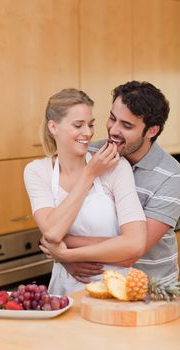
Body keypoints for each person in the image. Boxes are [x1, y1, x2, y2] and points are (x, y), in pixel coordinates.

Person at [53, 81, 180, 287]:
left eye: (127, 125)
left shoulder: (171, 176)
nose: (113, 130)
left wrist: (65, 249)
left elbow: (131, 252)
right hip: (97, 287)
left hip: (151, 291)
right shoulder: (90, 153)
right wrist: (63, 256)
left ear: (152, 131)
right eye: (113, 118)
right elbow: (53, 217)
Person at [24, 88, 147, 295]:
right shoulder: (37, 172)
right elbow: (52, 232)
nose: (88, 133)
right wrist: (89, 174)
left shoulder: (116, 167)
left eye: (90, 124)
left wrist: (66, 255)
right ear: (53, 127)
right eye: (78, 125)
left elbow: (135, 243)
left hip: (115, 289)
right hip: (64, 292)